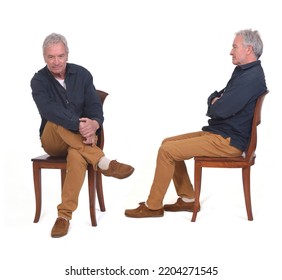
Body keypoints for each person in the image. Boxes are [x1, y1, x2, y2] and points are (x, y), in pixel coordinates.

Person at [125, 29, 267, 218]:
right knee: (167, 143)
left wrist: (217, 103)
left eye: (235, 47)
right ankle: (188, 199)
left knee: (167, 151)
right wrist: (216, 101)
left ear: (249, 49)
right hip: (220, 133)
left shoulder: (251, 77)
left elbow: (221, 109)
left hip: (228, 141)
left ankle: (153, 206)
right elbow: (217, 98)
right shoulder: (242, 71)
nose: (230, 51)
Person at [31, 33, 134, 237]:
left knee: (78, 155)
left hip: (79, 143)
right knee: (56, 118)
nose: (56, 61)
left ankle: (64, 217)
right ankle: (104, 163)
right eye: (51, 57)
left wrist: (94, 124)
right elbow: (47, 110)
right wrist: (80, 126)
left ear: (67, 55)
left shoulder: (82, 75)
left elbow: (95, 107)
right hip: (52, 140)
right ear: (44, 57)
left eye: (60, 56)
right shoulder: (38, 80)